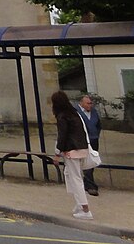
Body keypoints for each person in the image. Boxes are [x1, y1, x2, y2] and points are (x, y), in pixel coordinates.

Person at [51, 90, 93, 220]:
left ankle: (85, 209)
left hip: (71, 150)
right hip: (81, 147)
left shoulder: (62, 116)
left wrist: (57, 153)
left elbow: (62, 135)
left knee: (75, 178)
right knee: (70, 175)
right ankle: (79, 204)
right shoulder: (74, 113)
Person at [76, 94, 101, 195]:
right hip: (82, 140)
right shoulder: (76, 112)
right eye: (88, 103)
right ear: (81, 103)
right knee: (85, 161)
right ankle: (89, 184)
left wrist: (96, 134)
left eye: (91, 103)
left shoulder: (94, 112)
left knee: (92, 160)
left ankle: (88, 182)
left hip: (93, 139)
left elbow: (98, 125)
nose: (90, 105)